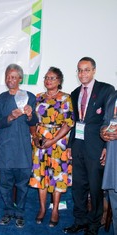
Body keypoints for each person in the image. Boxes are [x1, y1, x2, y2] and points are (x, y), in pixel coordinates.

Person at [63, 57, 115, 235]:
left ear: (94, 71)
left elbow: (109, 121)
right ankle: (80, 221)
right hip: (78, 147)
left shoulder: (106, 90)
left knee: (95, 188)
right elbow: (76, 122)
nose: (82, 73)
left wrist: (107, 147)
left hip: (96, 147)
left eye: (86, 70)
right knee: (78, 187)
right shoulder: (75, 93)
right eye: (79, 70)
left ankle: (93, 225)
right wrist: (70, 145)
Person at [29, 67, 74, 227]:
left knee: (57, 176)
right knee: (41, 175)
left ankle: (54, 209)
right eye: (46, 77)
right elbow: (32, 120)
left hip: (58, 143)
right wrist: (35, 137)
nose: (48, 80)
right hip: (40, 143)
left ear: (59, 81)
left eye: (53, 78)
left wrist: (52, 140)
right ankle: (42, 208)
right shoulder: (38, 97)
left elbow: (68, 124)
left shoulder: (65, 98)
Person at [0, 64, 37, 228]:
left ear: (20, 79)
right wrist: (10, 117)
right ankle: (7, 212)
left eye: (13, 77)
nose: (10, 79)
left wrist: (30, 114)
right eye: (7, 76)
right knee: (4, 184)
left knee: (22, 185)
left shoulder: (29, 97)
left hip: (23, 150)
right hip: (5, 149)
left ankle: (19, 213)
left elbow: (34, 122)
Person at [100, 90, 117, 235]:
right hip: (113, 157)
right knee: (114, 199)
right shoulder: (113, 96)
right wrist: (103, 131)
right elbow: (106, 121)